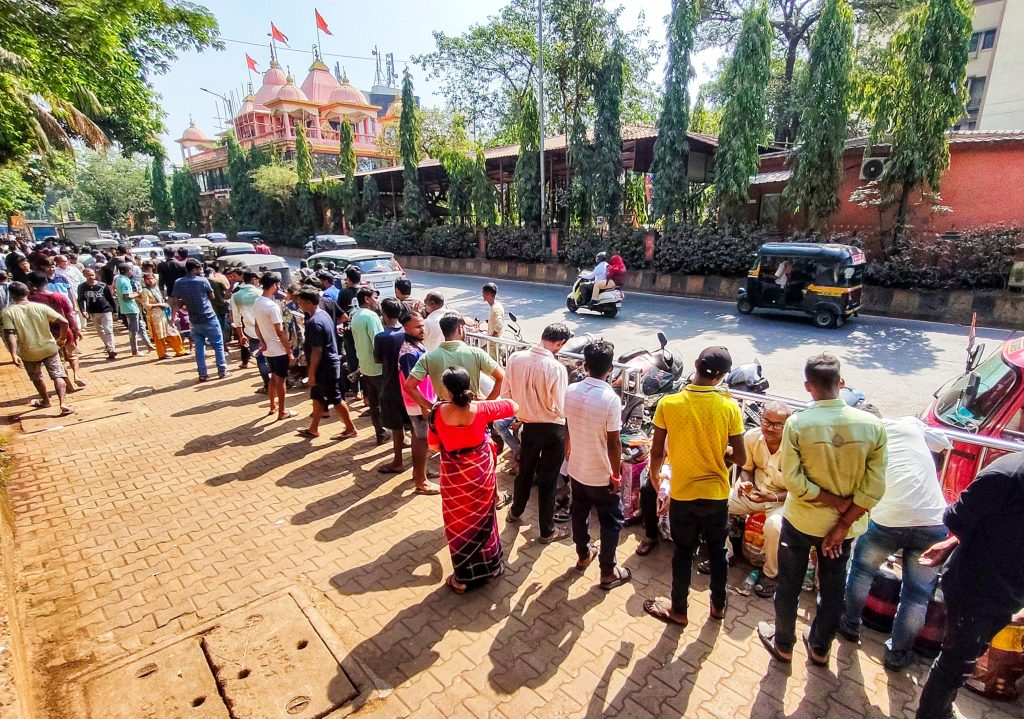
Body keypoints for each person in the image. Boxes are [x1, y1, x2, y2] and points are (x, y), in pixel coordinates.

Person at [758, 353, 887, 666]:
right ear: (841, 383)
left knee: (788, 585)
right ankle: (819, 648)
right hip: (844, 529)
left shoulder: (799, 423)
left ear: (808, 386)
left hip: (801, 522)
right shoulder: (872, 425)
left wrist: (831, 501)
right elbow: (874, 488)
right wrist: (842, 522)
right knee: (832, 588)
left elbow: (794, 480)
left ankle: (784, 644)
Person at [914, 451, 1024, 719]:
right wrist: (953, 541)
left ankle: (941, 708)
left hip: (1006, 595)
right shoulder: (1005, 474)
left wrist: (952, 541)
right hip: (977, 589)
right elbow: (957, 518)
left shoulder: (1007, 473)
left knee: (966, 655)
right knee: (955, 663)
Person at [837, 412, 951, 670]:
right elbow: (943, 442)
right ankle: (898, 653)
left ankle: (850, 624)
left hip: (887, 519)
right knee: (917, 594)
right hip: (932, 520)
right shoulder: (909, 424)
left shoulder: (861, 439)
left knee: (861, 571)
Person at [643, 347, 745, 627]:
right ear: (721, 377)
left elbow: (656, 452)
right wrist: (720, 452)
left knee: (683, 552)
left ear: (696, 364)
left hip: (683, 494)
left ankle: (679, 610)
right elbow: (741, 458)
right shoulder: (729, 407)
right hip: (716, 495)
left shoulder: (669, 403)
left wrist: (656, 480)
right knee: (718, 552)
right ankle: (718, 607)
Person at [428, 366, 518, 594]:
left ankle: (462, 578)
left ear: (446, 390)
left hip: (454, 480)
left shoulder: (437, 412)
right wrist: (482, 402)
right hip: (480, 476)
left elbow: (433, 446)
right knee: (484, 519)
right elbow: (513, 406)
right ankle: (492, 568)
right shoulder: (482, 409)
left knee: (458, 523)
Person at [564, 340, 630, 589]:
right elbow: (614, 442)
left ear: (585, 365)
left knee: (579, 513)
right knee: (611, 522)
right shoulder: (610, 399)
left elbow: (568, 423)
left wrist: (568, 448)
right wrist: (616, 475)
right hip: (601, 475)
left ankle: (583, 555)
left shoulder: (571, 390)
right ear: (610, 368)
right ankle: (608, 572)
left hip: (577, 468)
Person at [503, 322, 571, 544]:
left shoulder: (515, 359)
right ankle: (547, 531)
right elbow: (562, 409)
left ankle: (515, 511)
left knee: (525, 472)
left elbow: (506, 394)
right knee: (548, 481)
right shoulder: (556, 368)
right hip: (553, 430)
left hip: (529, 427)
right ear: (559, 344)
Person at [723, 402, 794, 598]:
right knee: (716, 503)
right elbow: (746, 469)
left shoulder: (796, 447)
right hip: (756, 494)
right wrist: (745, 484)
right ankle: (725, 554)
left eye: (777, 425)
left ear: (787, 426)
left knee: (775, 526)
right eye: (766, 421)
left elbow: (799, 490)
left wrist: (772, 497)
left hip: (782, 501)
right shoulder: (752, 437)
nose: (769, 428)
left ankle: (771, 574)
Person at [406, 313, 504, 413]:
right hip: (473, 411)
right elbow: (501, 377)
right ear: (460, 328)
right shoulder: (476, 353)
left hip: (444, 413)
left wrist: (432, 407)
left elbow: (409, 386)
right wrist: (487, 402)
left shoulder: (428, 357)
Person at [293, 288, 357, 440]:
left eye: (300, 302)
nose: (298, 304)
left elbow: (317, 351)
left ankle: (351, 429)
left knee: (335, 398)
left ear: (308, 302)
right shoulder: (323, 315)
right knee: (317, 397)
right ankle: (313, 428)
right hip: (326, 365)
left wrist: (311, 373)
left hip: (325, 367)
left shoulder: (314, 323)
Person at [2, 281, 72, 415]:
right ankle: (63, 403)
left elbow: (10, 333)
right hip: (49, 347)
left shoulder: (7, 312)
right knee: (58, 375)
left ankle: (45, 400)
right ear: (27, 292)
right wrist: (62, 339)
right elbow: (64, 321)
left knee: (37, 377)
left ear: (11, 295)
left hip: (28, 351)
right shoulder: (41, 307)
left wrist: (13, 354)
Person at [398, 311, 440, 495]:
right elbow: (410, 385)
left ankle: (420, 472)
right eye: (417, 326)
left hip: (422, 401)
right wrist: (424, 406)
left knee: (419, 438)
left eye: (422, 325)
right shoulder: (409, 353)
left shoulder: (416, 345)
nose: (422, 329)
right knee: (422, 440)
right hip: (418, 404)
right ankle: (421, 481)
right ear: (406, 328)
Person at [171, 258, 227, 382]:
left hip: (194, 320)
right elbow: (211, 296)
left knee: (199, 347)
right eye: (200, 268)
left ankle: (202, 374)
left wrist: (174, 315)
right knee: (218, 345)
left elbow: (175, 301)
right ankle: (222, 371)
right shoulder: (202, 281)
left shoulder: (179, 282)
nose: (201, 270)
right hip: (209, 317)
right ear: (195, 269)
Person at [27, 271, 86, 388]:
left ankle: (69, 384)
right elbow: (69, 315)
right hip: (65, 330)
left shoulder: (31, 299)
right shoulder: (58, 296)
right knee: (73, 355)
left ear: (30, 283)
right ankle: (76, 375)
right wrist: (76, 329)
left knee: (60, 360)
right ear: (46, 281)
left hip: (47, 334)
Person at [374, 297, 410, 472]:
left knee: (396, 427)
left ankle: (397, 462)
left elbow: (377, 359)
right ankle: (418, 465)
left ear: (384, 314)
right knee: (415, 426)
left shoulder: (381, 337)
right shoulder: (407, 332)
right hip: (410, 385)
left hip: (391, 385)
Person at [254, 273, 293, 419]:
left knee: (273, 377)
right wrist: (289, 352)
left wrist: (261, 341)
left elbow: (257, 325)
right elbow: (280, 331)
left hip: (268, 349)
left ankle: (272, 406)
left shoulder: (258, 302)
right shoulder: (272, 306)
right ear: (274, 285)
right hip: (278, 349)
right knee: (281, 380)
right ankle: (282, 411)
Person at [351, 287, 387, 444]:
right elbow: (378, 343)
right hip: (378, 367)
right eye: (375, 297)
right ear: (367, 299)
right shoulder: (371, 316)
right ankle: (394, 434)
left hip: (366, 367)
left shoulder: (356, 315)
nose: (377, 301)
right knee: (386, 402)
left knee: (374, 404)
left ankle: (380, 433)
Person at [231, 271, 270, 392]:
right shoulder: (260, 293)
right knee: (271, 358)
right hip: (266, 329)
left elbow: (236, 318)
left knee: (260, 360)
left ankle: (268, 385)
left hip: (251, 332)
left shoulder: (236, 296)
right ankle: (278, 383)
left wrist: (241, 335)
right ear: (253, 280)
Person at [138, 273, 186, 360]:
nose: (150, 281)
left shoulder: (156, 289)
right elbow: (146, 305)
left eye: (152, 278)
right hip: (155, 316)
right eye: (148, 279)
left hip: (163, 315)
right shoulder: (145, 291)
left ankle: (180, 351)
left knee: (173, 332)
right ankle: (162, 354)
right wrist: (159, 304)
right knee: (160, 336)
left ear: (155, 279)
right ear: (145, 281)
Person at [205, 266, 232, 343]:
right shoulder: (218, 280)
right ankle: (223, 342)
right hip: (221, 305)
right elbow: (228, 293)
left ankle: (214, 340)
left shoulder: (202, 282)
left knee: (212, 325)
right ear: (213, 273)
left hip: (209, 307)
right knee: (222, 325)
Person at [481, 282, 505, 349]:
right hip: (492, 343)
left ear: (488, 294)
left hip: (495, 344)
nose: (482, 295)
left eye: (483, 293)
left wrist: (492, 337)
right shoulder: (493, 306)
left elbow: (499, 325)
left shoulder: (496, 308)